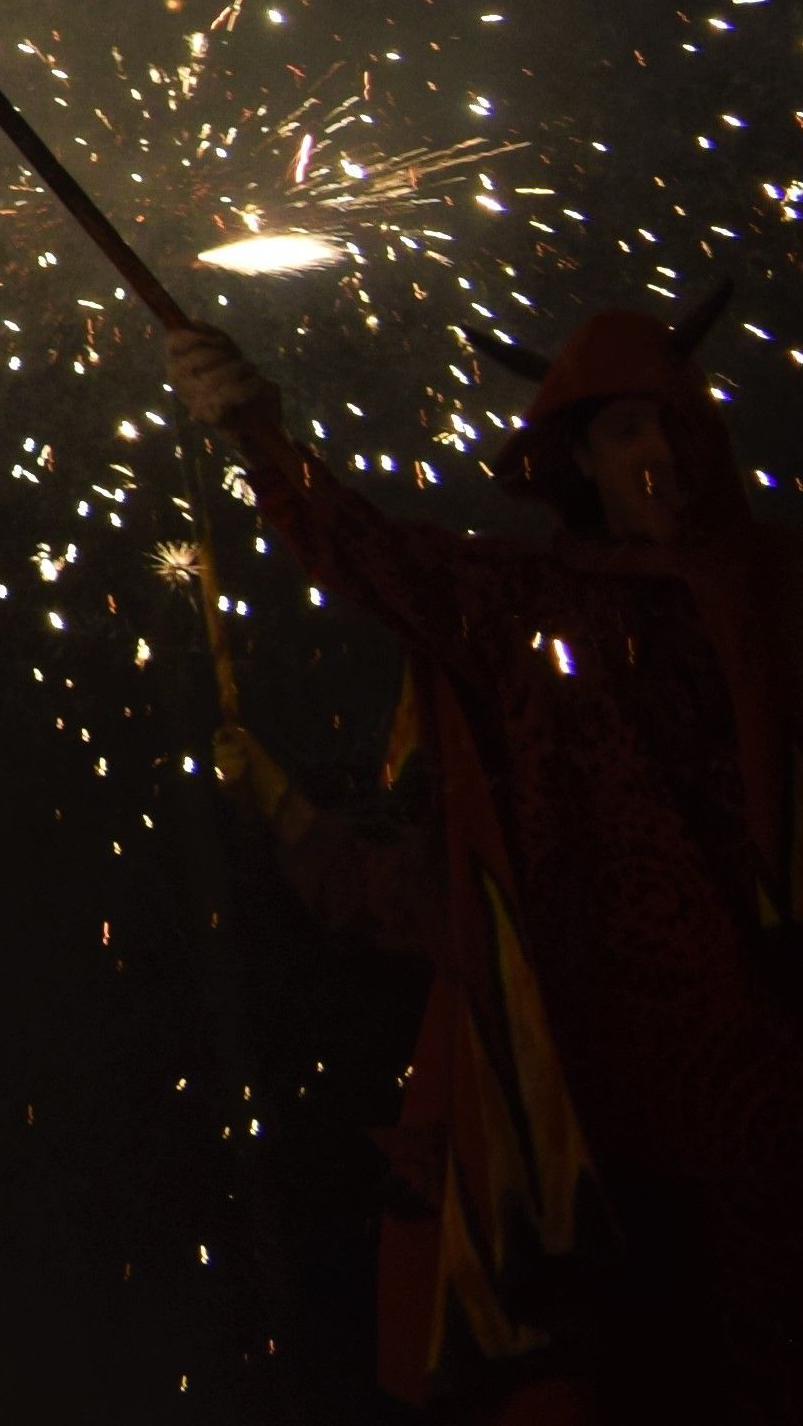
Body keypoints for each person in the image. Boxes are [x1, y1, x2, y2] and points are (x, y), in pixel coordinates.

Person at [169, 299, 803, 1419]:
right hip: (613, 1099)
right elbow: (380, 557)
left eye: (671, 426)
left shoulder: (782, 591)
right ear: (577, 461)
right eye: (623, 435)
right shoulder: (533, 610)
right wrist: (258, 434)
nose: (656, 455)